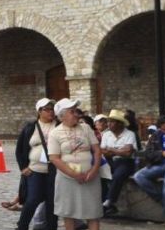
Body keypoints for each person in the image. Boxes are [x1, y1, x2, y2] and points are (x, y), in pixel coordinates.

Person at [48, 98, 102, 230]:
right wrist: (74, 174)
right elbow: (54, 158)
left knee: (93, 212)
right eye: (72, 111)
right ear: (62, 116)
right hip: (67, 179)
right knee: (69, 212)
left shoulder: (86, 127)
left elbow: (97, 150)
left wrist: (94, 170)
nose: (76, 114)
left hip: (90, 177)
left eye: (76, 111)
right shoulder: (55, 133)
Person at [13, 98, 58, 230]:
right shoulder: (30, 126)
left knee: (52, 202)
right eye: (47, 109)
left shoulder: (59, 125)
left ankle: (51, 227)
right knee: (32, 200)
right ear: (39, 111)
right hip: (35, 170)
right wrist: (23, 167)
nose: (51, 112)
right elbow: (20, 149)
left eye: (52, 109)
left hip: (55, 170)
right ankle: (22, 226)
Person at [100, 109, 137, 217]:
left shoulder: (130, 134)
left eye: (112, 122)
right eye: (109, 121)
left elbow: (128, 153)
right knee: (100, 173)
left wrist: (111, 150)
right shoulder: (106, 135)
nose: (109, 124)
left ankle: (109, 201)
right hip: (110, 161)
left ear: (120, 123)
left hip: (126, 162)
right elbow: (103, 152)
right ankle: (105, 204)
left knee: (118, 175)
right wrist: (119, 150)